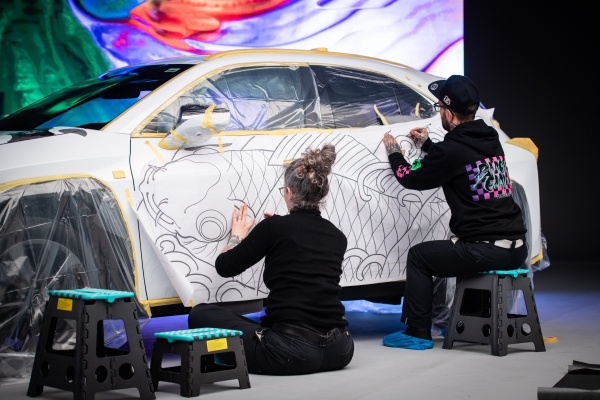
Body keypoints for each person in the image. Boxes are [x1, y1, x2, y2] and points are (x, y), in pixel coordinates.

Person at [381, 75, 527, 350]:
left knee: (419, 257)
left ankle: (417, 332)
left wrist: (393, 152)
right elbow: (460, 161)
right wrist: (428, 146)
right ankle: (465, 322)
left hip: (485, 249)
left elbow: (410, 178)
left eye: (439, 108)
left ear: (448, 112)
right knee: (452, 251)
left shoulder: (451, 151)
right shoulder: (490, 138)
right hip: (517, 247)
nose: (439, 114)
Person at [188, 144, 354, 374]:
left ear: (289, 192)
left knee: (200, 315)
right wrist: (277, 231)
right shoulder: (337, 236)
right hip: (340, 350)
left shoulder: (274, 227)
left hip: (290, 353)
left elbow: (224, 267)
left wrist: (237, 237)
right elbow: (306, 256)